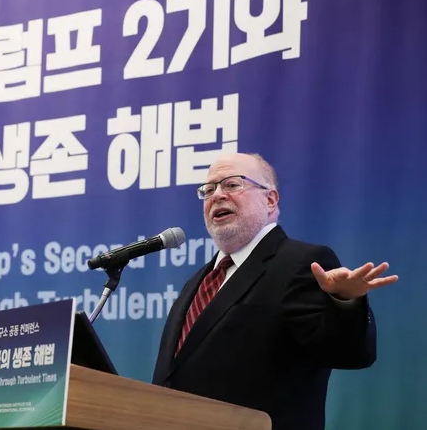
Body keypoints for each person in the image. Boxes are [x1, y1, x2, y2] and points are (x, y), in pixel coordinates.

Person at [151, 152, 398, 430]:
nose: (217, 195)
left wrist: (344, 302)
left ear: (270, 200)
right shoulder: (198, 281)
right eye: (208, 190)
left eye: (232, 184)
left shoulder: (301, 263)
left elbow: (349, 353)